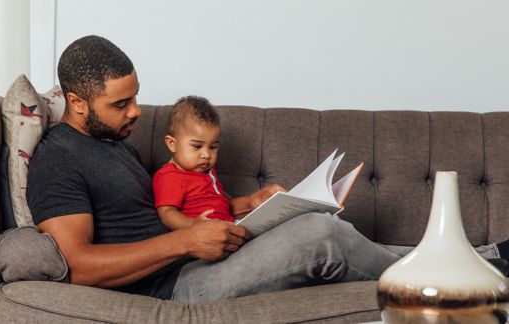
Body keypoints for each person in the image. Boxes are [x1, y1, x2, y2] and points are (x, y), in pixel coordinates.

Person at [27, 35, 509, 304]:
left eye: (135, 96)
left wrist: (250, 205)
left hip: (191, 261)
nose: (136, 111)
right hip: (172, 287)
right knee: (321, 237)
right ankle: (479, 278)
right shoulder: (58, 159)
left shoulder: (114, 144)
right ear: (76, 102)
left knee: (309, 220)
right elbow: (78, 266)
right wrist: (185, 241)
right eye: (121, 103)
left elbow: (166, 209)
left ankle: (483, 254)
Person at [153, 96, 247, 230]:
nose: (206, 155)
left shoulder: (207, 172)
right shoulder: (169, 176)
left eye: (213, 147)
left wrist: (253, 203)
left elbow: (223, 201)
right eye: (197, 146)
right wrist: (193, 224)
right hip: (201, 236)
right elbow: (167, 214)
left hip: (229, 226)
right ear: (172, 144)